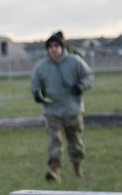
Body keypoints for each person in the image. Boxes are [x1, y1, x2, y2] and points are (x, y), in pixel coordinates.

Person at [30, 31, 94, 182]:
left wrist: (81, 86)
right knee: (55, 140)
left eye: (56, 45)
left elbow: (89, 77)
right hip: (52, 112)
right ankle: (55, 172)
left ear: (62, 46)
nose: (53, 49)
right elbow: (35, 86)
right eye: (50, 46)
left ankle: (77, 170)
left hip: (73, 110)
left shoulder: (75, 61)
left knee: (75, 141)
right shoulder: (41, 67)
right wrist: (38, 95)